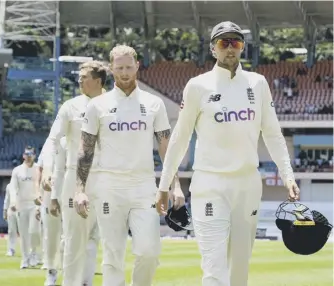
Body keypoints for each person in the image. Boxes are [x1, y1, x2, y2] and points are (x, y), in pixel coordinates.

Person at [156, 21, 300, 286]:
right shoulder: (198, 86)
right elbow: (180, 138)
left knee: (239, 269)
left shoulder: (258, 84)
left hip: (247, 185)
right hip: (210, 184)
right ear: (213, 49)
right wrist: (164, 184)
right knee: (214, 267)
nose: (230, 48)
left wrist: (287, 174)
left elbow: (272, 133)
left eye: (236, 42)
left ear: (243, 47)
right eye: (224, 43)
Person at [74, 44, 185, 286]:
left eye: (128, 67)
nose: (124, 72)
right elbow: (85, 150)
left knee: (149, 252)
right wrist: (79, 189)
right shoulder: (97, 106)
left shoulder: (154, 104)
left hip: (144, 186)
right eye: (119, 67)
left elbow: (167, 147)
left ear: (137, 66)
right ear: (112, 69)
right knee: (112, 256)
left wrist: (174, 185)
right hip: (108, 188)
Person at [41, 60, 108, 286]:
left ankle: (85, 282)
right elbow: (52, 140)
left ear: (98, 81)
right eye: (78, 77)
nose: (79, 80)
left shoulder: (114, 104)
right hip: (74, 175)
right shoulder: (70, 106)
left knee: (94, 239)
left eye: (84, 76)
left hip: (106, 177)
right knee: (72, 238)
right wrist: (48, 169)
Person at [36, 137, 65, 286]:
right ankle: (51, 272)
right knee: (50, 236)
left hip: (68, 192)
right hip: (48, 195)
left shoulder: (74, 136)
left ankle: (69, 274)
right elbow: (40, 168)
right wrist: (37, 192)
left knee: (68, 237)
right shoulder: (48, 142)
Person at [9, 146, 42, 269]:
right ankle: (25, 258)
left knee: (34, 231)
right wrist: (13, 202)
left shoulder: (38, 168)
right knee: (23, 234)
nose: (28, 156)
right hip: (21, 205)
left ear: (34, 155)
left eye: (31, 154)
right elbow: (13, 187)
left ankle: (34, 254)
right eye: (26, 154)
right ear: (23, 155)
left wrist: (41, 204)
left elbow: (42, 188)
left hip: (35, 205)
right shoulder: (17, 170)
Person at [3, 183, 18, 257]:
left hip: (23, 209)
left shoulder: (25, 183)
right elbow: (7, 199)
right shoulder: (9, 186)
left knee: (26, 232)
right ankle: (11, 249)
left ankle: (30, 251)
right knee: (11, 231)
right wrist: (5, 211)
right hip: (11, 211)